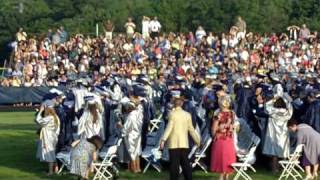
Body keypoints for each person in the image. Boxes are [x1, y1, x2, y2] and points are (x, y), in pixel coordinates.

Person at [160, 92, 200, 180]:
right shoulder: (187, 115)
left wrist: (163, 140)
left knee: (174, 164)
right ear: (182, 104)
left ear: (174, 104)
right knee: (185, 163)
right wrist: (197, 141)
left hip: (174, 143)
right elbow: (192, 130)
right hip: (184, 143)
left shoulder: (172, 114)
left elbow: (169, 128)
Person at [263, 85, 293, 172]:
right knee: (282, 149)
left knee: (273, 152)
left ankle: (274, 169)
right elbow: (290, 109)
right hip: (282, 133)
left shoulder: (272, 111)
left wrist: (274, 98)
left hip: (273, 133)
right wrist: (285, 98)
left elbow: (267, 107)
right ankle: (280, 168)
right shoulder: (287, 113)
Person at [210, 95, 237, 180]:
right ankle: (226, 177)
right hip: (229, 139)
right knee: (228, 160)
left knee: (221, 161)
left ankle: (221, 178)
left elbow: (214, 129)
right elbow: (234, 126)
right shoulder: (232, 113)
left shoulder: (218, 114)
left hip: (220, 140)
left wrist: (220, 128)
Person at [35, 103, 60, 175]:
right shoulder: (56, 117)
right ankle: (55, 169)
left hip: (48, 137)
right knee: (53, 152)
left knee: (49, 154)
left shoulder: (50, 118)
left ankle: (50, 172)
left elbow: (38, 120)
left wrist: (40, 111)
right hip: (53, 136)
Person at [121, 101, 144, 173]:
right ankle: (138, 168)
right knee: (137, 152)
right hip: (138, 134)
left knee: (131, 152)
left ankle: (133, 169)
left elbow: (126, 128)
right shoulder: (139, 114)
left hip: (131, 135)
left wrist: (121, 127)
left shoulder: (130, 116)